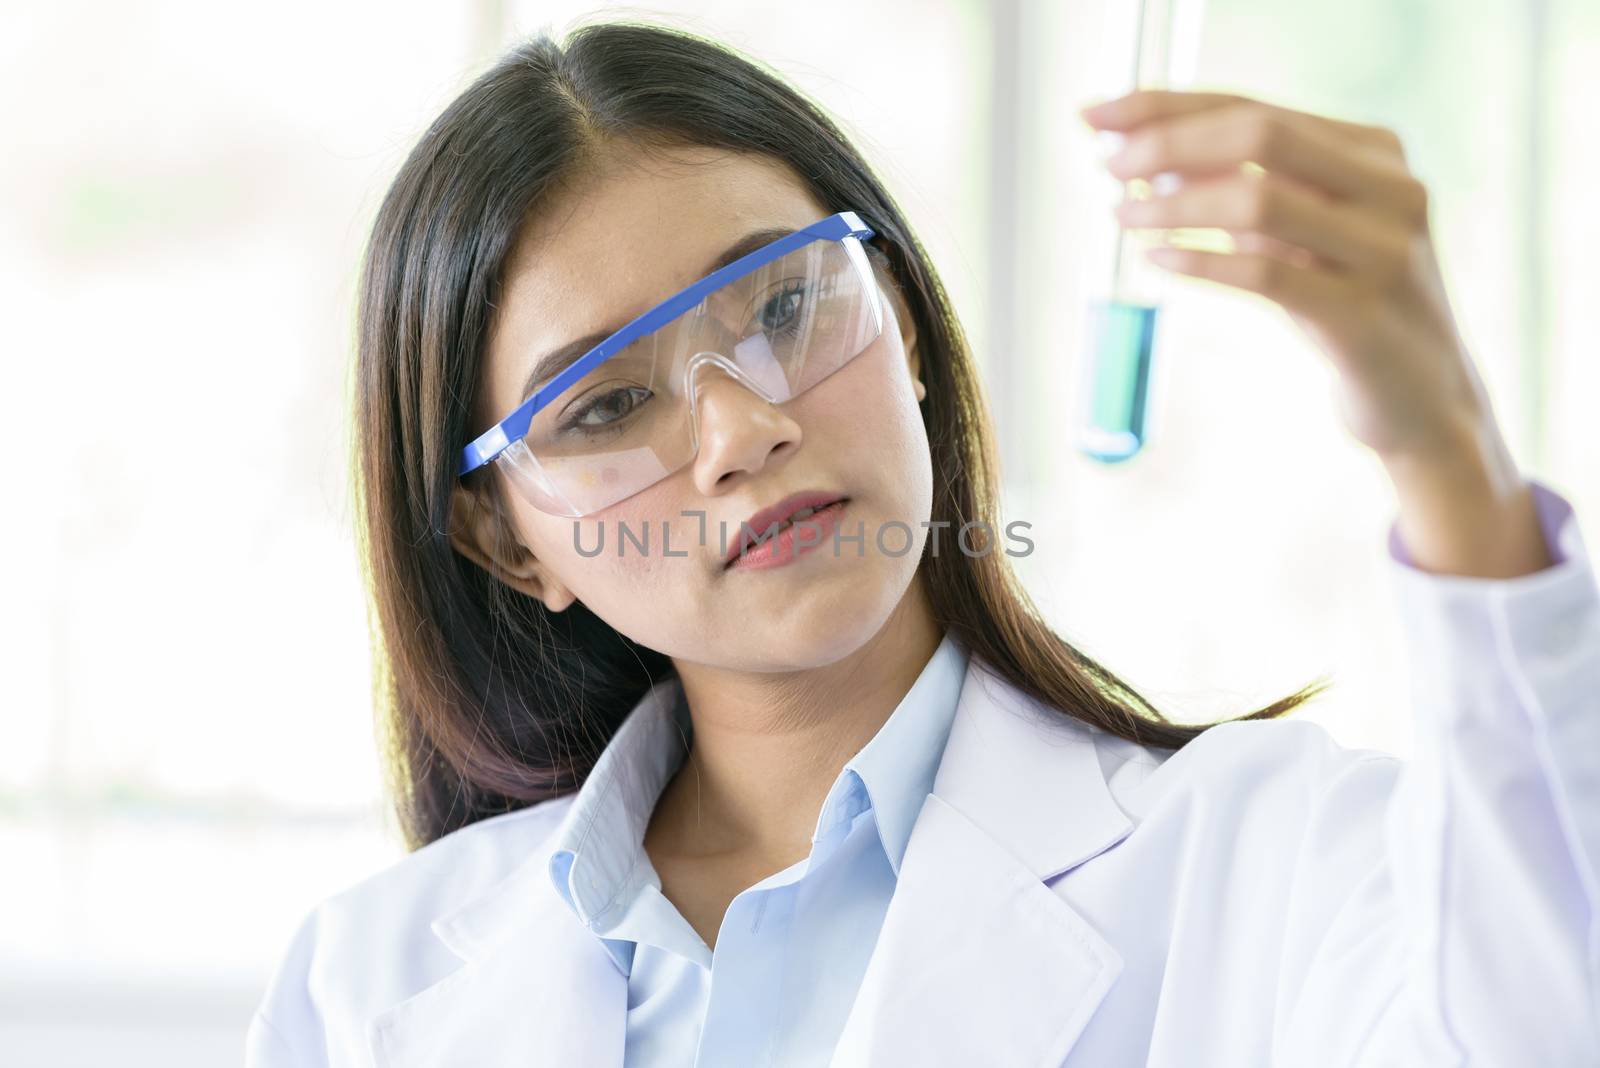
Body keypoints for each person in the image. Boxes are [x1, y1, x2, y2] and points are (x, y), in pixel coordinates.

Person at [245, 19, 1600, 1068]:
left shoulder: (1259, 857)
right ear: (506, 543)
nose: (740, 427)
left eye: (783, 305)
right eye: (607, 401)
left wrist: (1448, 459)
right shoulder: (366, 987)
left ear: (900, 322)